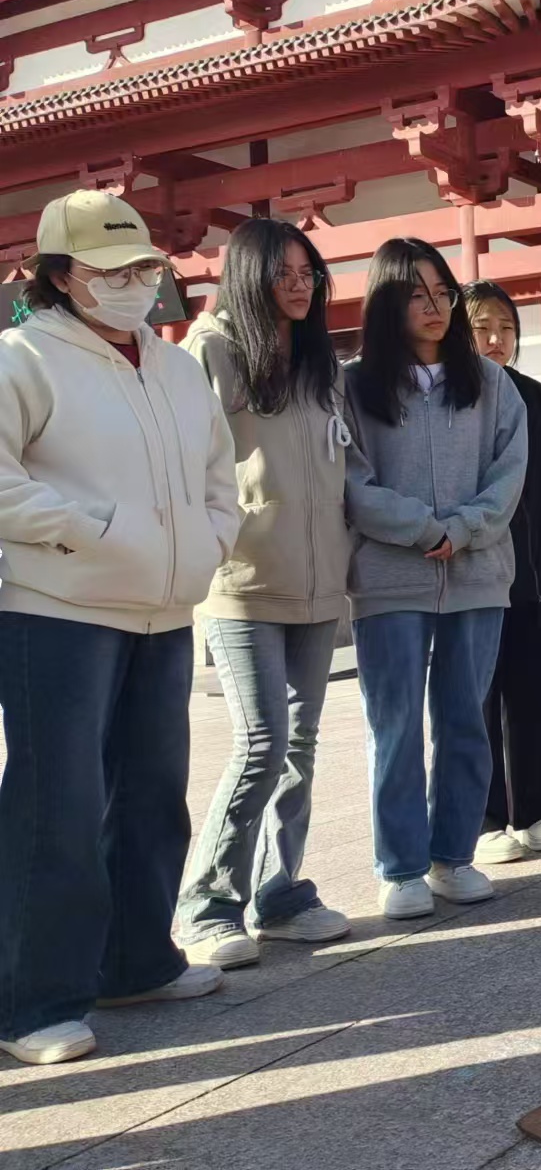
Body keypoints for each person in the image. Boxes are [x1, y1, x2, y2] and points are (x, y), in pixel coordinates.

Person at [0, 190, 239, 1065]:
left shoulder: (176, 366)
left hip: (165, 608)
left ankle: (138, 960)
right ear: (60, 275)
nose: (133, 282)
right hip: (56, 610)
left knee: (152, 794)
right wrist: (89, 531)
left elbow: (219, 475)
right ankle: (30, 1001)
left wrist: (211, 541)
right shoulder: (21, 358)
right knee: (54, 807)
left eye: (143, 266)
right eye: (110, 270)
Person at [175, 218, 354, 970]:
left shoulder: (318, 362)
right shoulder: (211, 350)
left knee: (300, 746)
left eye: (308, 271)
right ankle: (208, 905)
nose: (299, 284)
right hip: (242, 583)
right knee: (261, 742)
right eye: (283, 272)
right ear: (248, 275)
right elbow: (187, 468)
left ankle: (281, 896)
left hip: (317, 582)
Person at [344, 239, 527, 919]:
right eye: (416, 294)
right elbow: (352, 483)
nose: (434, 306)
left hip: (477, 574)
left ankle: (454, 855)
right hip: (389, 579)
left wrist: (465, 528)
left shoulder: (492, 383)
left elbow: (509, 474)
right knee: (393, 725)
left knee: (463, 719)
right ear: (386, 302)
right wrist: (424, 529)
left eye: (443, 292)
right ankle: (400, 867)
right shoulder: (352, 385)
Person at [464, 280, 541, 862]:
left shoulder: (535, 396)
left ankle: (536, 811)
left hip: (535, 575)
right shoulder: (451, 397)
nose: (496, 339)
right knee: (482, 702)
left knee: (533, 699)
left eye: (507, 328)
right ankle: (487, 819)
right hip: (477, 577)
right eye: (482, 328)